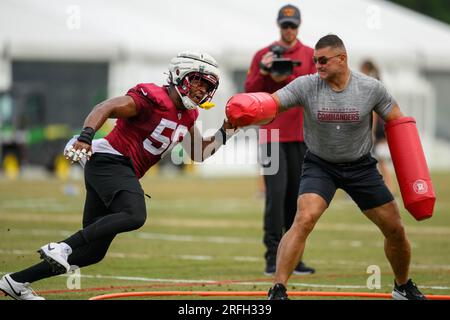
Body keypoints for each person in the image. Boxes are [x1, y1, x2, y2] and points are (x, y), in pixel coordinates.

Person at [0, 51, 236, 300]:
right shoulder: (152, 97)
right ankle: (61, 246)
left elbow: (198, 152)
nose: (201, 89)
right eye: (198, 81)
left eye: (207, 85)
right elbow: (105, 107)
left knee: (93, 252)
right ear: (180, 74)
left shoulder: (190, 115)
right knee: (134, 214)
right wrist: (86, 137)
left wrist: (226, 132)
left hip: (117, 169)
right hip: (109, 160)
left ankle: (16, 281)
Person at [250, 34, 425, 300]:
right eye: (314, 61)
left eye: (322, 61)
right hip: (320, 165)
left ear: (342, 59)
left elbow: (398, 122)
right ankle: (278, 289)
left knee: (395, 228)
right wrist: (247, 109)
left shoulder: (371, 88)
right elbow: (272, 103)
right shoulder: (306, 85)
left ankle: (402, 286)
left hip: (361, 167)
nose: (317, 66)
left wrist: (415, 177)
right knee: (304, 219)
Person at [244, 4, 316, 276]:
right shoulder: (263, 55)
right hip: (271, 135)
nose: (289, 30)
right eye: (285, 26)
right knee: (274, 196)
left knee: (297, 200)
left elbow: (314, 85)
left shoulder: (309, 54)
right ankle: (272, 258)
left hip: (302, 136)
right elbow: (249, 92)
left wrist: (289, 74)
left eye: (293, 25)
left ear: (298, 26)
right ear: (278, 26)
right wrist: (265, 72)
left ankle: (294, 258)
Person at [360, 60, 395, 193]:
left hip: (376, 128)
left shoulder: (371, 85)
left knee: (376, 160)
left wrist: (371, 131)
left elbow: (373, 111)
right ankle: (389, 189)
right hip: (381, 127)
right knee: (379, 160)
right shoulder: (379, 83)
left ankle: (389, 189)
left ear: (366, 69)